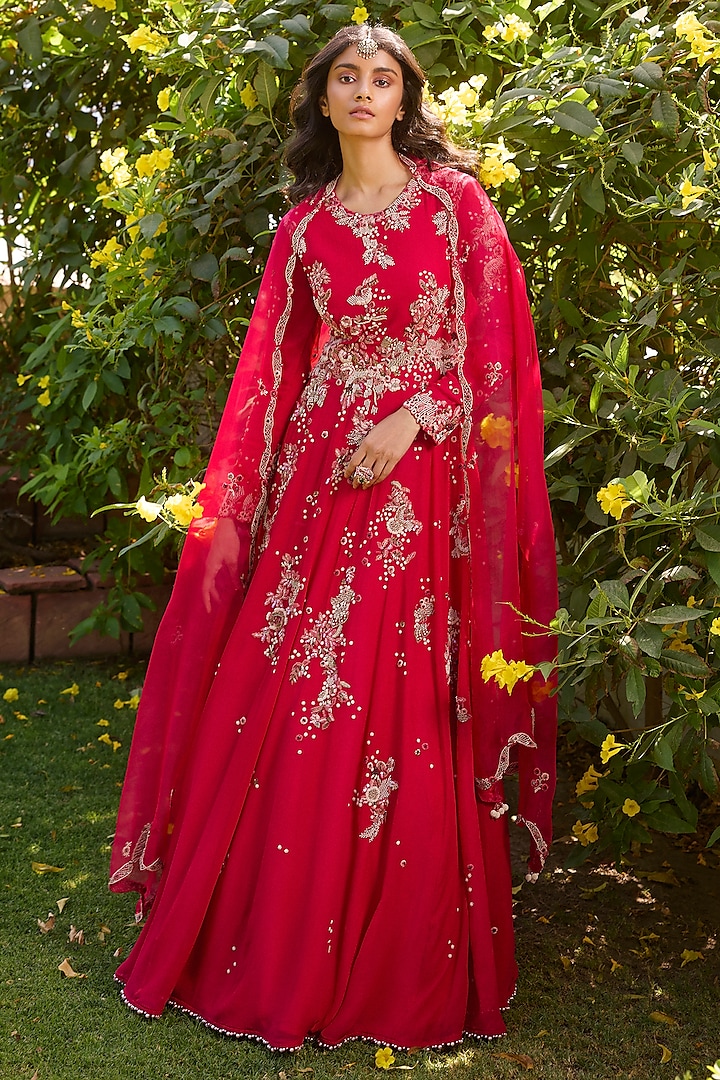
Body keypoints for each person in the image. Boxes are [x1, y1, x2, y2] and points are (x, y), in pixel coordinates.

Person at [109, 22, 557, 1051]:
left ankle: (393, 957)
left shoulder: (456, 205)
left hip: (420, 482)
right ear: (321, 100)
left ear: (406, 98)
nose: (363, 92)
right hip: (320, 482)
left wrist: (417, 413)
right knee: (295, 683)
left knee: (398, 686)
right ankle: (267, 945)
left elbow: (495, 346)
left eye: (382, 77)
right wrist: (261, 499)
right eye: (346, 78)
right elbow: (275, 374)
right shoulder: (301, 230)